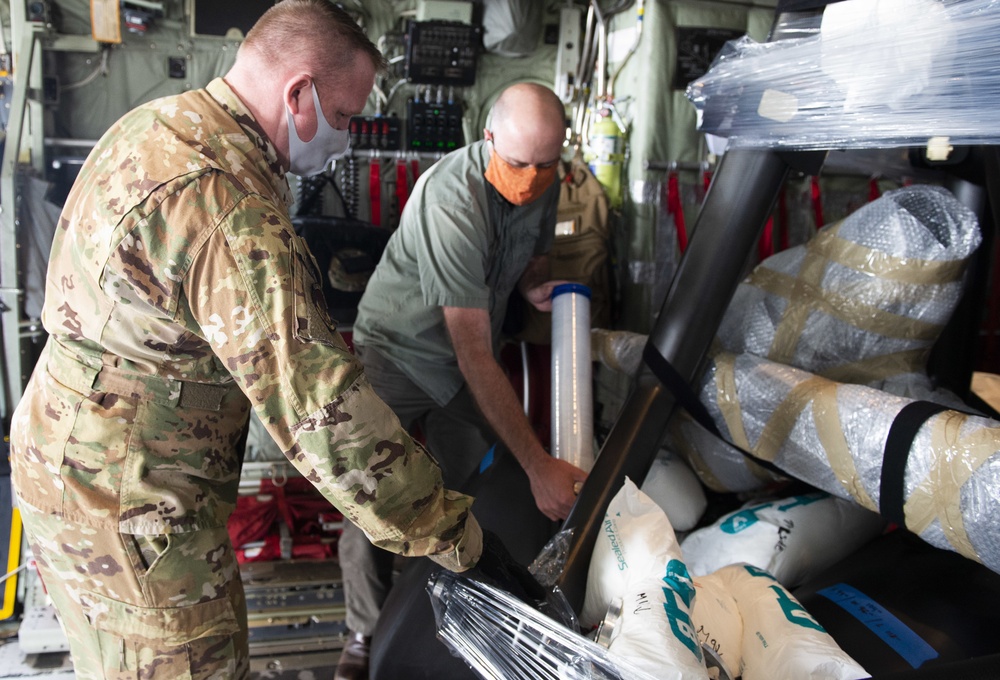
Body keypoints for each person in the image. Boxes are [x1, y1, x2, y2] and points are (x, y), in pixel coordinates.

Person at [8, 2, 526, 677]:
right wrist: (460, 540)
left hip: (71, 464)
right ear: (297, 93)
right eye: (342, 118)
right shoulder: (229, 208)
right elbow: (324, 415)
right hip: (134, 508)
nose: (344, 139)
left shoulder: (157, 127)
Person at [337, 82, 590, 680]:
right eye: (519, 162)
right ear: (488, 138)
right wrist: (537, 465)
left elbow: (534, 252)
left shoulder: (549, 178)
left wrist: (533, 286)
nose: (532, 177)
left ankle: (428, 617)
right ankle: (362, 634)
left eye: (546, 163)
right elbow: (474, 350)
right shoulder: (453, 197)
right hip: (400, 351)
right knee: (371, 494)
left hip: (462, 364)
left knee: (458, 499)